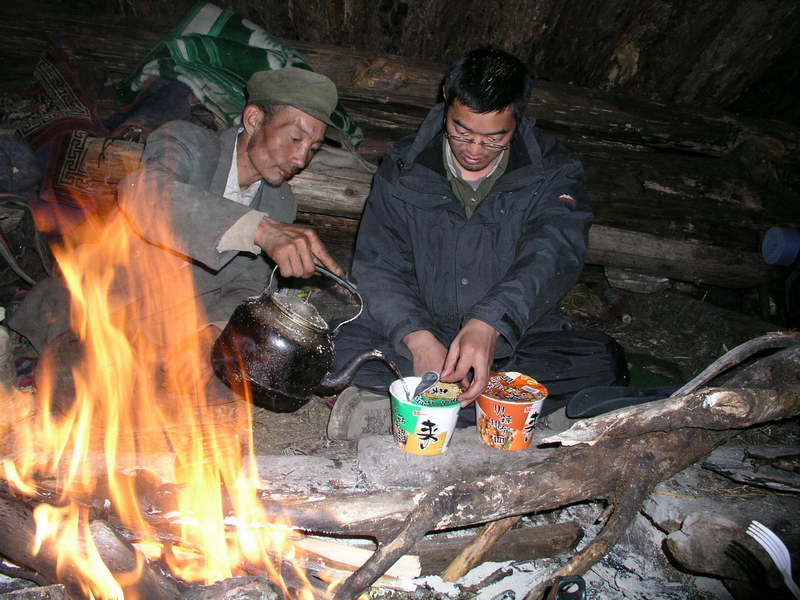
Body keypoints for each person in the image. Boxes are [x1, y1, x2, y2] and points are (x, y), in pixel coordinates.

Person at [327, 47, 629, 440]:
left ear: (517, 121)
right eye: (461, 132)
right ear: (445, 102)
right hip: (423, 328)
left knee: (603, 363)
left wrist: (490, 323)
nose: (473, 150)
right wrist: (417, 337)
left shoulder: (552, 169)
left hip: (512, 337)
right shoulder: (403, 166)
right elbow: (378, 262)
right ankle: (512, 409)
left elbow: (554, 252)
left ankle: (397, 414)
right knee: (333, 348)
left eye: (493, 139)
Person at [9, 67, 346, 396]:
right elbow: (146, 194)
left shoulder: (280, 204)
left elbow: (246, 289)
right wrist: (257, 228)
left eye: (313, 147)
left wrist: (207, 337)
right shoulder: (187, 142)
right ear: (254, 119)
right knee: (76, 382)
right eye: (295, 137)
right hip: (105, 303)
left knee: (239, 381)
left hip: (173, 329)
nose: (301, 158)